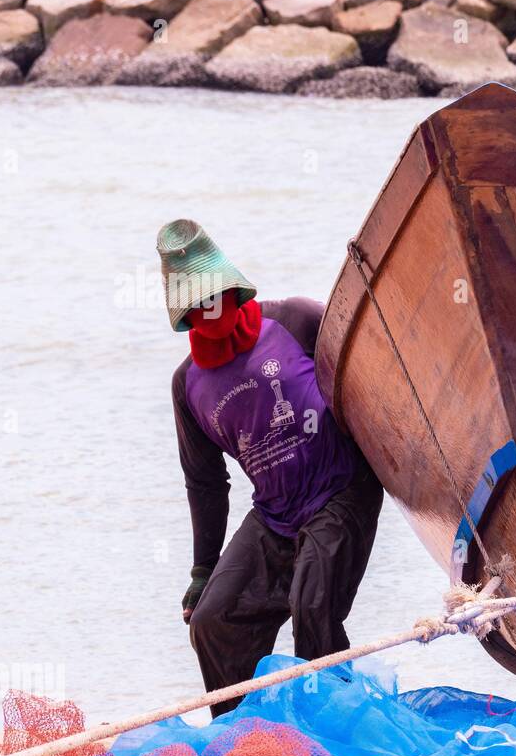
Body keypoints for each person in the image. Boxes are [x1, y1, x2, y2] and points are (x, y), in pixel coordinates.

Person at [161, 219, 383, 715]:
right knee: (213, 620)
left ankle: (335, 723)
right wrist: (202, 571)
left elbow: (368, 365)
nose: (211, 309)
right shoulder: (188, 386)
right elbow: (206, 484)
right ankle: (249, 741)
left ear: (236, 288)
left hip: (341, 490)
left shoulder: (297, 319)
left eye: (217, 294)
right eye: (198, 304)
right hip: (276, 515)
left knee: (313, 605)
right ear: (185, 315)